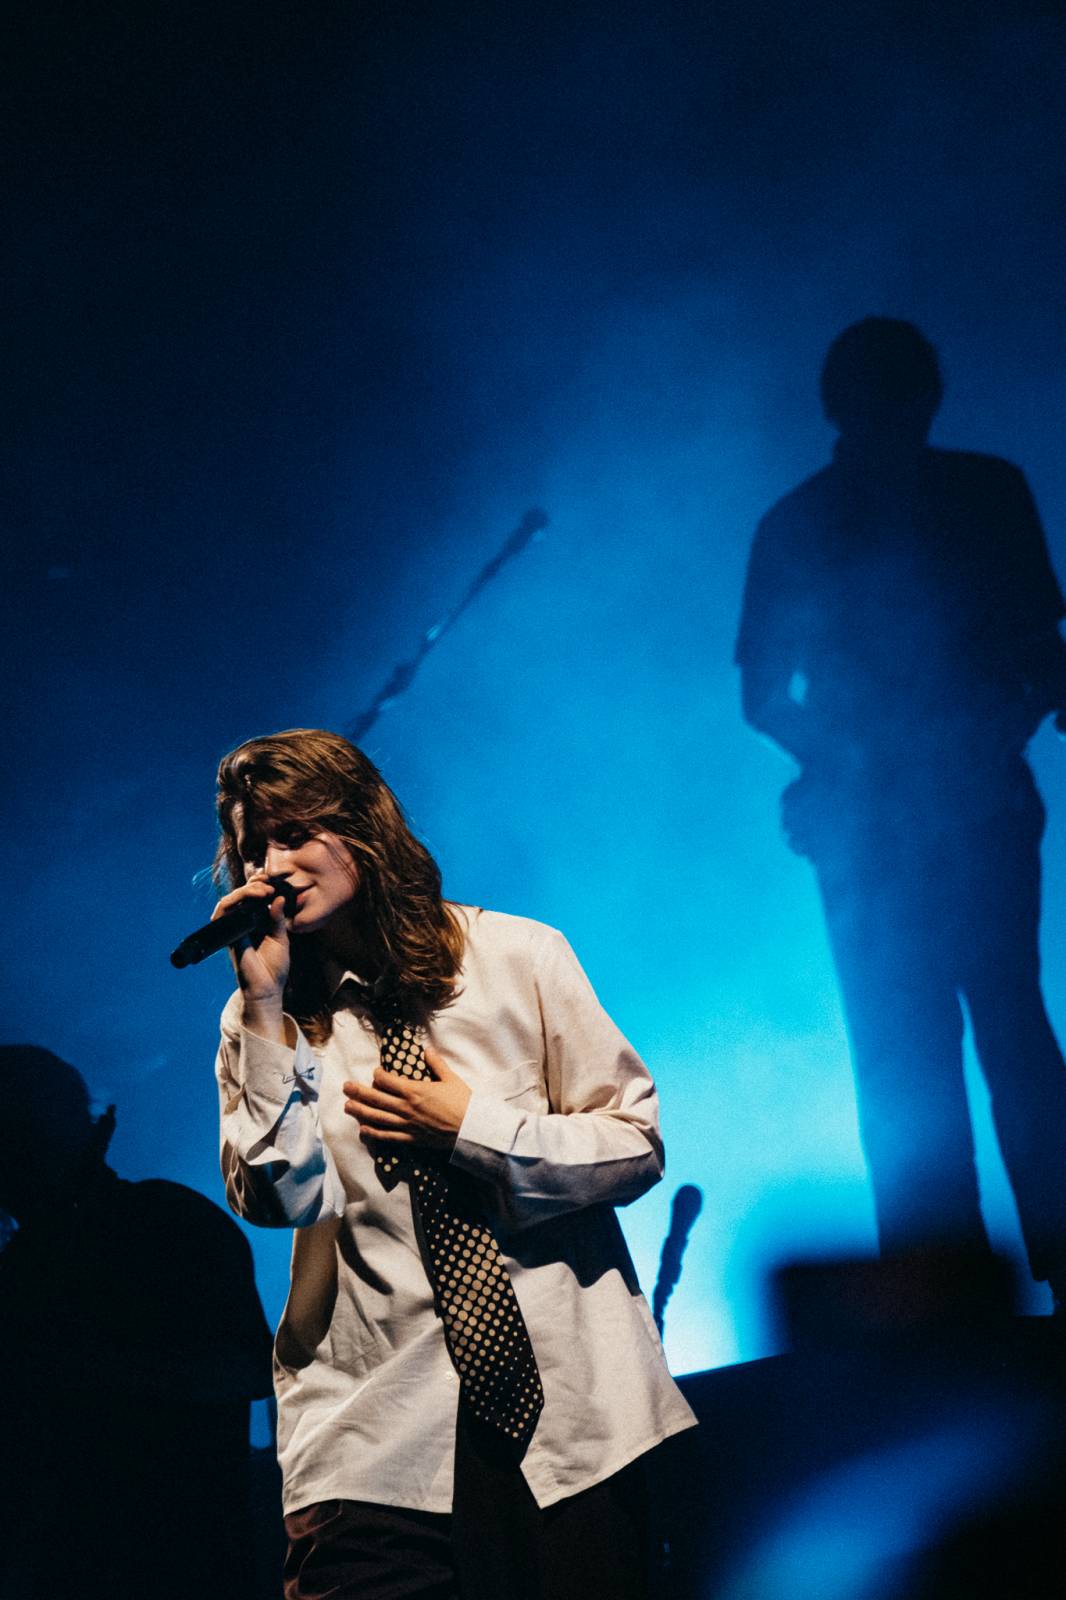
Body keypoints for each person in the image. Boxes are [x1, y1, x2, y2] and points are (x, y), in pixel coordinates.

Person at [210, 727, 696, 1600]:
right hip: (374, 1442)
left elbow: (634, 1144)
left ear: (361, 824)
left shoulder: (518, 957)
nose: (272, 864)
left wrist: (470, 1126)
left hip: (573, 1428)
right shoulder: (266, 1017)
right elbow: (276, 1196)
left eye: (294, 833)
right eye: (255, 848)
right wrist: (264, 1001)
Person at [736, 317, 1066, 1304]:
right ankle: (1001, 1286)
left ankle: (942, 1300)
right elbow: (1041, 653)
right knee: (998, 1032)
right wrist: (977, 737)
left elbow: (762, 695)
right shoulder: (983, 490)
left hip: (875, 824)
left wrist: (847, 764)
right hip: (946, 809)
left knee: (909, 1052)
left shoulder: (800, 519)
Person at [0, 1044, 274, 1600]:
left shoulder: (165, 1224)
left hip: (172, 1561)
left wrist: (78, 1367)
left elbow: (252, 1371)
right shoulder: (169, 1220)